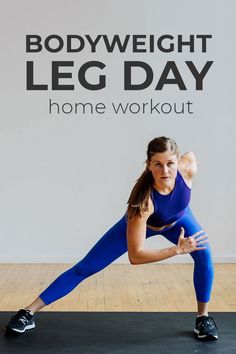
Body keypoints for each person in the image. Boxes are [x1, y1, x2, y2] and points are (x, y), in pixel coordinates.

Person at [5, 136, 218, 340]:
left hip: (179, 221)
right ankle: (28, 312)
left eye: (170, 163)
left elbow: (189, 155)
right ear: (148, 165)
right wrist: (176, 250)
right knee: (85, 267)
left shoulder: (188, 168)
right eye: (157, 164)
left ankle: (203, 318)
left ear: (179, 161)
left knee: (205, 257)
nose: (165, 171)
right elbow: (136, 256)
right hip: (147, 225)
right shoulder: (143, 202)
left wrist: (186, 158)